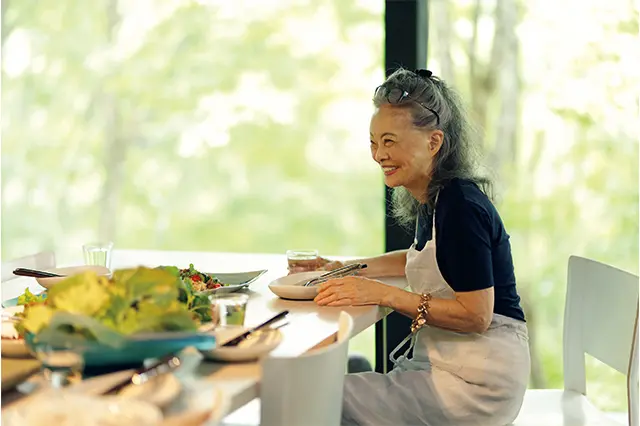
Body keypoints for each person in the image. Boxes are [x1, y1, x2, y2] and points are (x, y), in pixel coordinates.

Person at [313, 68, 530, 425]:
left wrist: (383, 294)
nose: (379, 154)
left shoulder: (461, 206)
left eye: (390, 141)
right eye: (373, 142)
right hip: (452, 364)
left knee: (315, 397)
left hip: (476, 384)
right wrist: (344, 267)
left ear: (434, 142)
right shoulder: (436, 197)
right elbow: (421, 261)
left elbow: (477, 316)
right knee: (342, 378)